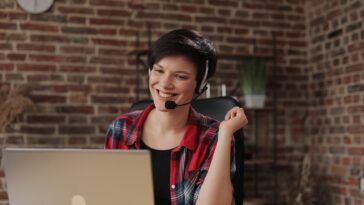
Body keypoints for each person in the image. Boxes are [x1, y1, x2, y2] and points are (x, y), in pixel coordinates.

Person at [105, 29, 248, 205]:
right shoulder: (121, 129)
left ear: (200, 86)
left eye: (180, 76)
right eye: (158, 71)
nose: (164, 84)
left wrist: (225, 133)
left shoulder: (213, 136)